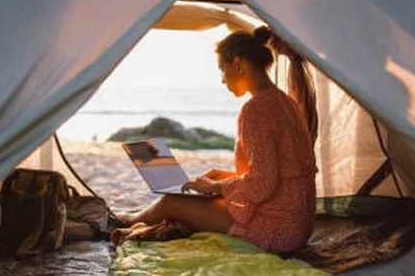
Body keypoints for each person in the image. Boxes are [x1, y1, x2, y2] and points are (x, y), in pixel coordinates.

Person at [116, 27, 318, 253]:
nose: (222, 80)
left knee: (171, 203)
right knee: (196, 201)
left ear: (238, 64)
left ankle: (126, 221)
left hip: (277, 230)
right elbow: (276, 174)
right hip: (298, 225)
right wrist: (224, 180)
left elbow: (264, 183)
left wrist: (217, 187)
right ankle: (139, 219)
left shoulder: (257, 109)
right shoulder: (284, 102)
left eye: (223, 70)